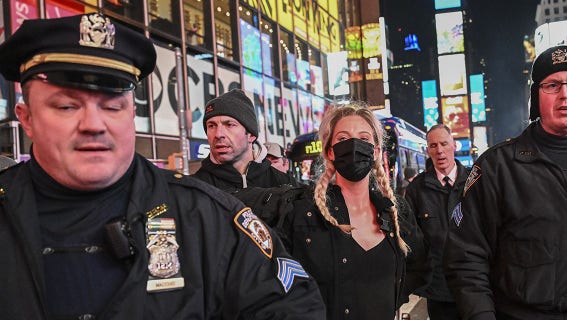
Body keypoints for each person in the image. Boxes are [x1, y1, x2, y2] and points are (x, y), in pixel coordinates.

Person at [0, 13, 325, 319]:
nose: (93, 124)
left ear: (131, 114)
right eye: (67, 106)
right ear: (26, 118)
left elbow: (293, 306)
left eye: (112, 106)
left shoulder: (205, 217)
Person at [444, 45, 567, 320]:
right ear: (537, 97)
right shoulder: (497, 168)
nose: (564, 95)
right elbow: (465, 260)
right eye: (552, 85)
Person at [276, 103, 428, 319]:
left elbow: (419, 265)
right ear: (330, 151)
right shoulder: (303, 214)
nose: (354, 145)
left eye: (364, 139)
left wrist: (389, 300)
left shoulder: (396, 211)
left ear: (376, 152)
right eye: (343, 139)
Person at [405, 124, 469, 320]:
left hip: (474, 284)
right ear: (428, 150)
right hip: (437, 289)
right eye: (433, 146)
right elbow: (411, 236)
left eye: (444, 144)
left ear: (454, 145)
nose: (439, 150)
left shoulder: (475, 182)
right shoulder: (417, 189)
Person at [193, 89, 298, 191]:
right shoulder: (194, 190)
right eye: (211, 126)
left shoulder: (286, 183)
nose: (218, 134)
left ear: (251, 135)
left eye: (229, 125)